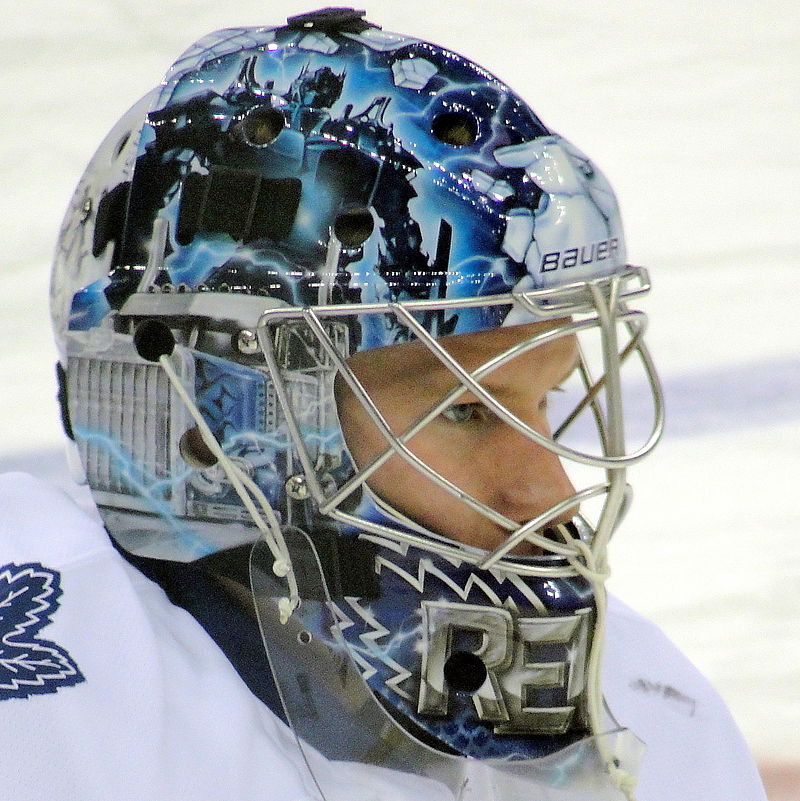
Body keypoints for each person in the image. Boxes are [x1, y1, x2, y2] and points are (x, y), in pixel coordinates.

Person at [0, 8, 767, 800]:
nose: (548, 492)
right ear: (209, 427)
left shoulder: (654, 712)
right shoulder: (46, 704)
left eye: (548, 397)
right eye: (465, 410)